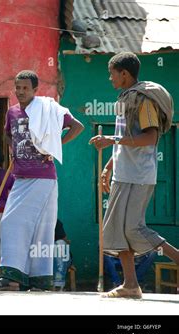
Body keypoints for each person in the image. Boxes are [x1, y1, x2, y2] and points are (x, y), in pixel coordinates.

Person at [89, 52, 179, 299]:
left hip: (139, 175)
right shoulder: (126, 99)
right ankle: (131, 285)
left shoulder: (143, 100)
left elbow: (149, 138)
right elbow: (125, 139)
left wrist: (112, 140)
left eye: (112, 74)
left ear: (124, 74)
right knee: (118, 229)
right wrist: (109, 166)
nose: (110, 79)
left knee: (134, 229)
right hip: (123, 173)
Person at [0, 70, 84, 291]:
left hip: (44, 178)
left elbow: (77, 126)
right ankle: (13, 276)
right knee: (10, 222)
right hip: (20, 177)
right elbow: (7, 134)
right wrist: (14, 149)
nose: (20, 92)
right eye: (17, 87)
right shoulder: (11, 113)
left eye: (25, 88)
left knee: (42, 228)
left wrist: (55, 146)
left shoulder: (48, 109)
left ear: (35, 90)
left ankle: (37, 280)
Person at [53, 219, 73, 291]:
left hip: (62, 260)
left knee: (60, 244)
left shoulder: (55, 222)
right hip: (43, 258)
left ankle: (58, 285)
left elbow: (64, 240)